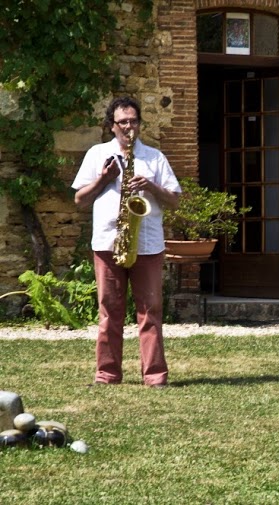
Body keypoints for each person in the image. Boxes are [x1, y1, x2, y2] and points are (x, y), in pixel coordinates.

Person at [73, 96, 182, 388]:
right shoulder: (97, 155)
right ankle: (107, 375)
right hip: (108, 242)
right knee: (110, 310)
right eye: (122, 122)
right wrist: (104, 179)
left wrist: (151, 186)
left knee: (151, 309)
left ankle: (155, 375)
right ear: (112, 126)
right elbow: (79, 199)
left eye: (133, 121)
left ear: (139, 123)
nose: (128, 127)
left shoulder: (155, 158)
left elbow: (173, 201)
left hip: (146, 243)